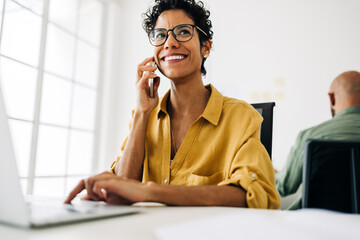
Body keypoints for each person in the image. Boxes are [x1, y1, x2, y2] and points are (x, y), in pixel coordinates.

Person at [65, 0, 280, 209]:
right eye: (160, 35)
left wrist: (150, 191)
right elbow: (121, 189)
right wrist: (142, 112)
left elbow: (258, 194)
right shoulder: (143, 116)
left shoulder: (241, 116)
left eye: (183, 32)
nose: (170, 43)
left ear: (205, 47)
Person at [275, 70, 360, 209]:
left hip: (313, 225)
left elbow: (283, 188)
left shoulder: (310, 136)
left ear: (331, 98)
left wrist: (267, 173)